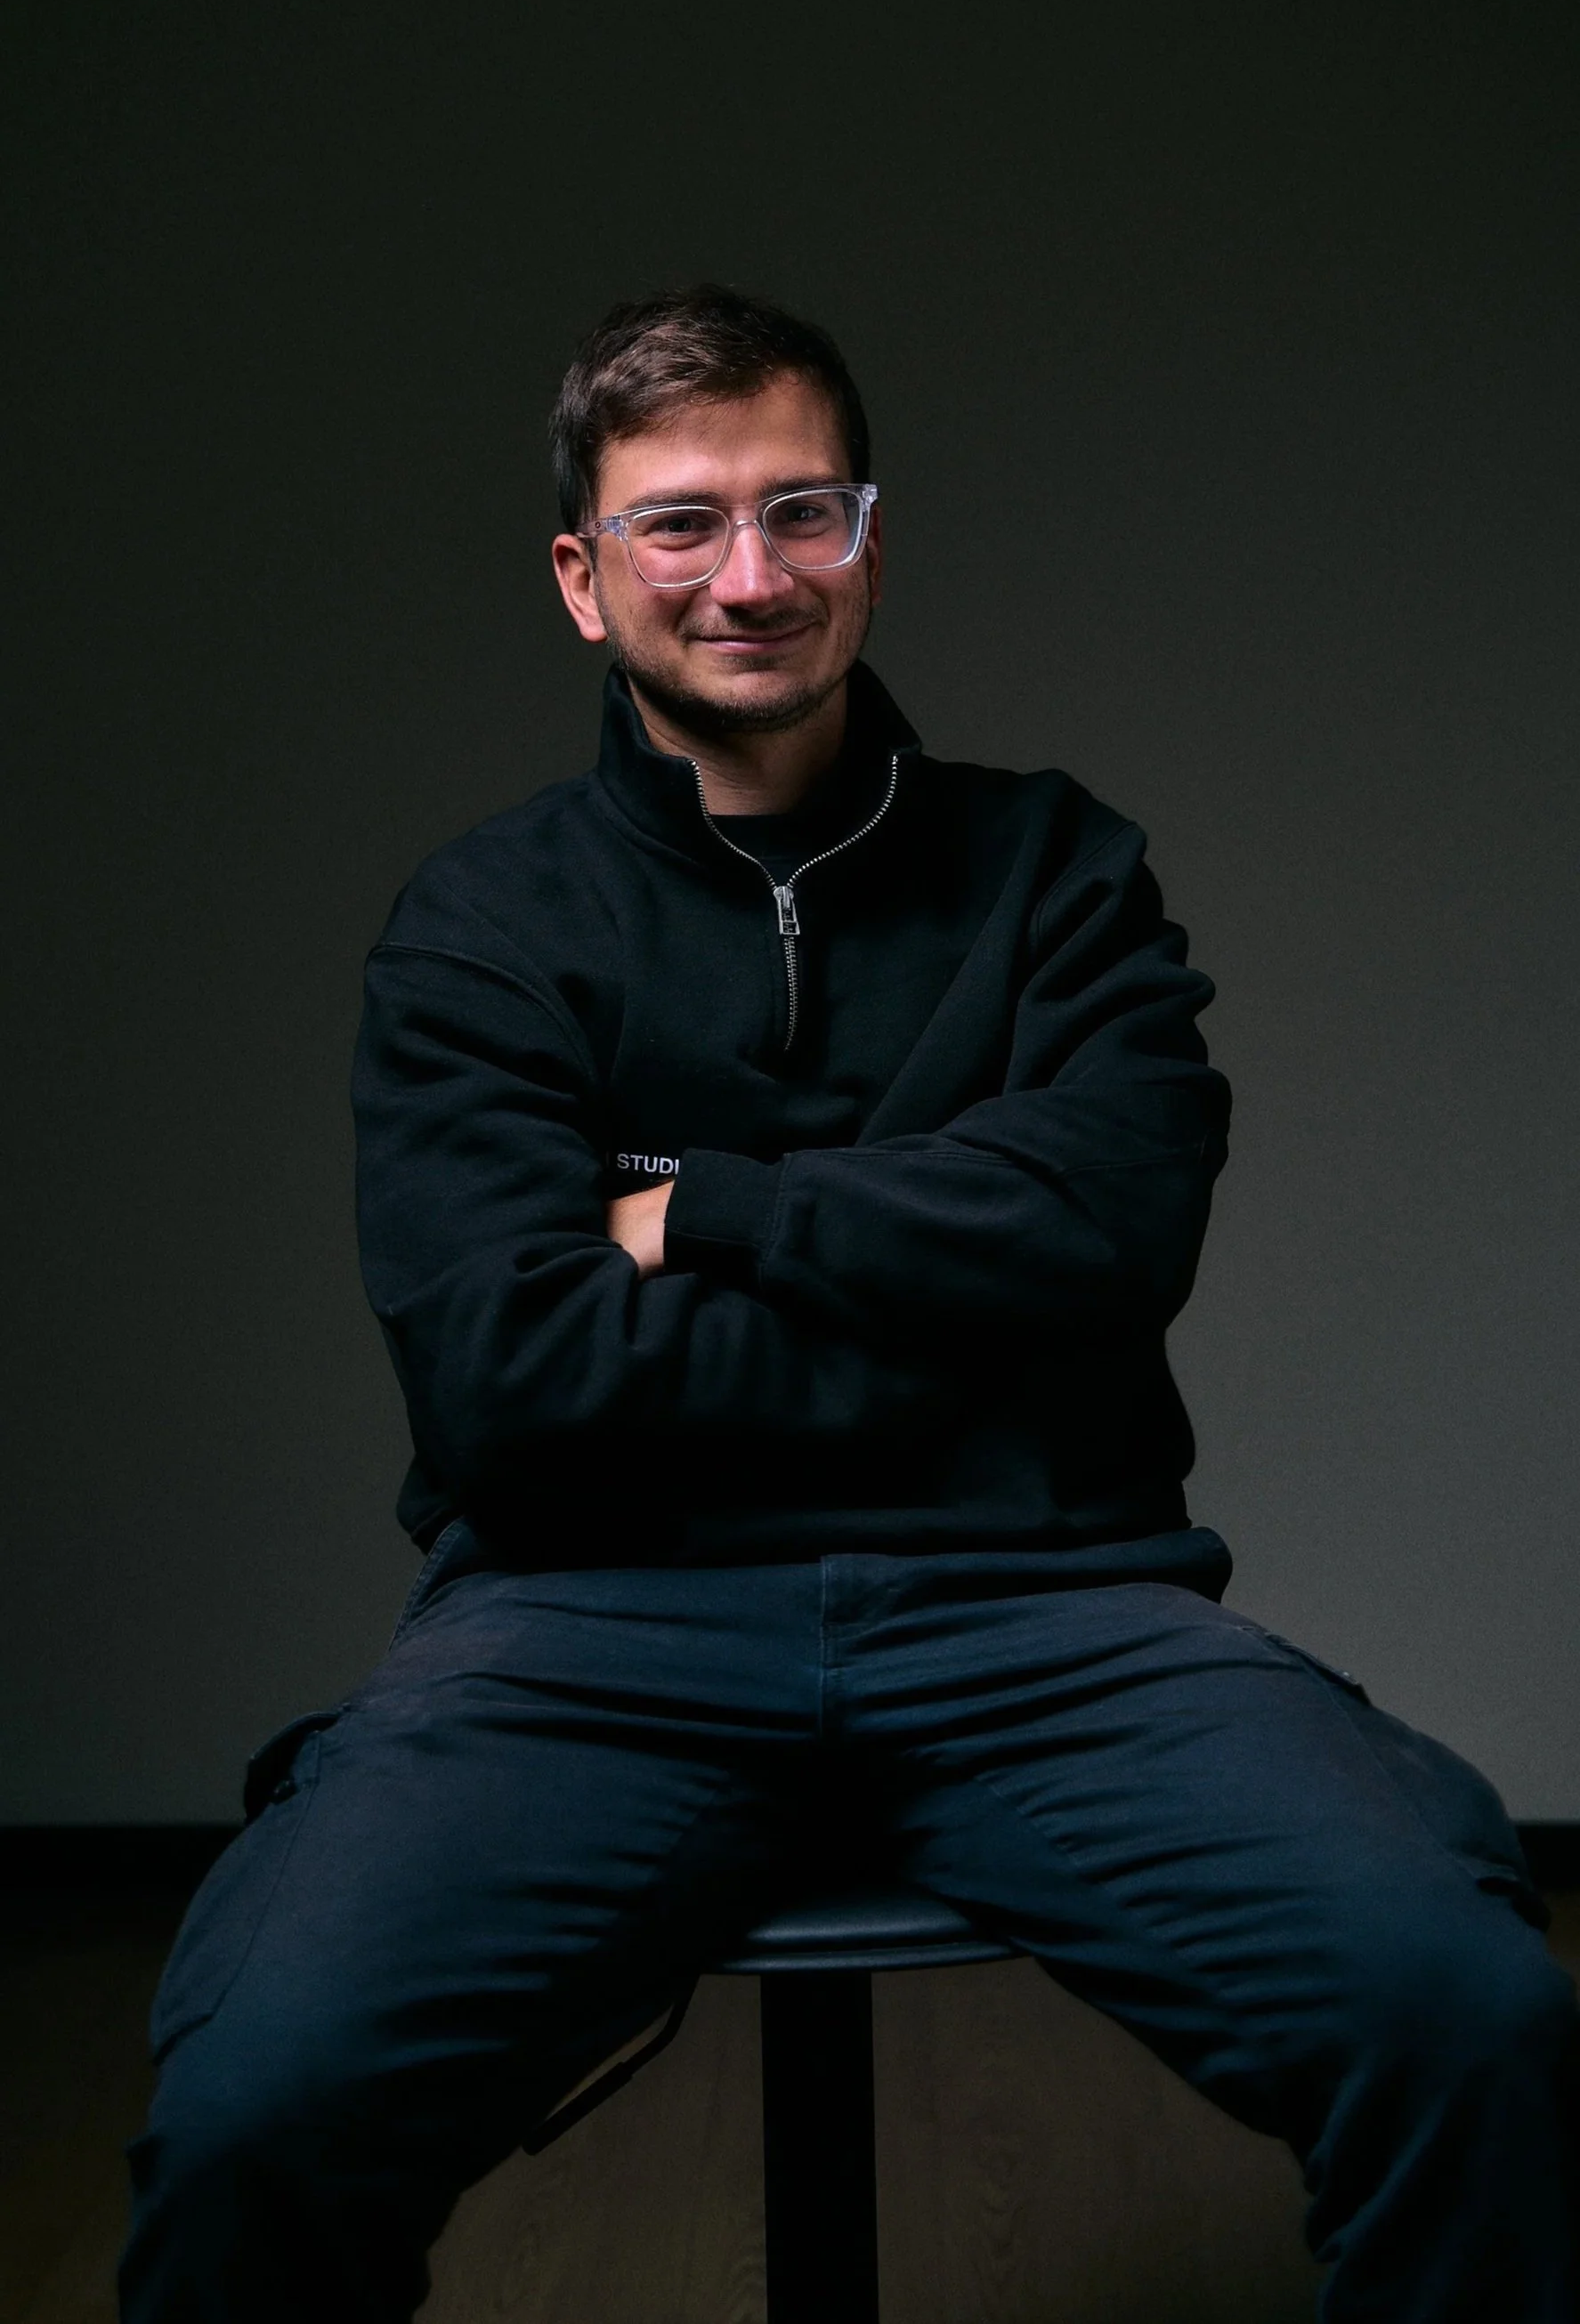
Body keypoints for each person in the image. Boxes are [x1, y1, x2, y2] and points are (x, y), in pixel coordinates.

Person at [121, 287, 1578, 2322]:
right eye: (679, 524)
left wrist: (691, 1203)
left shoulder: (1056, 872)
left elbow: (1109, 1241)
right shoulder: (480, 925)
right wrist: (957, 1321)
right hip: (584, 1626)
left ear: (865, 540)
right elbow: (516, 1385)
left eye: (801, 511)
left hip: (1042, 1611)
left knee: (1467, 2010)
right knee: (256, 2109)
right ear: (581, 576)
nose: (749, 576)